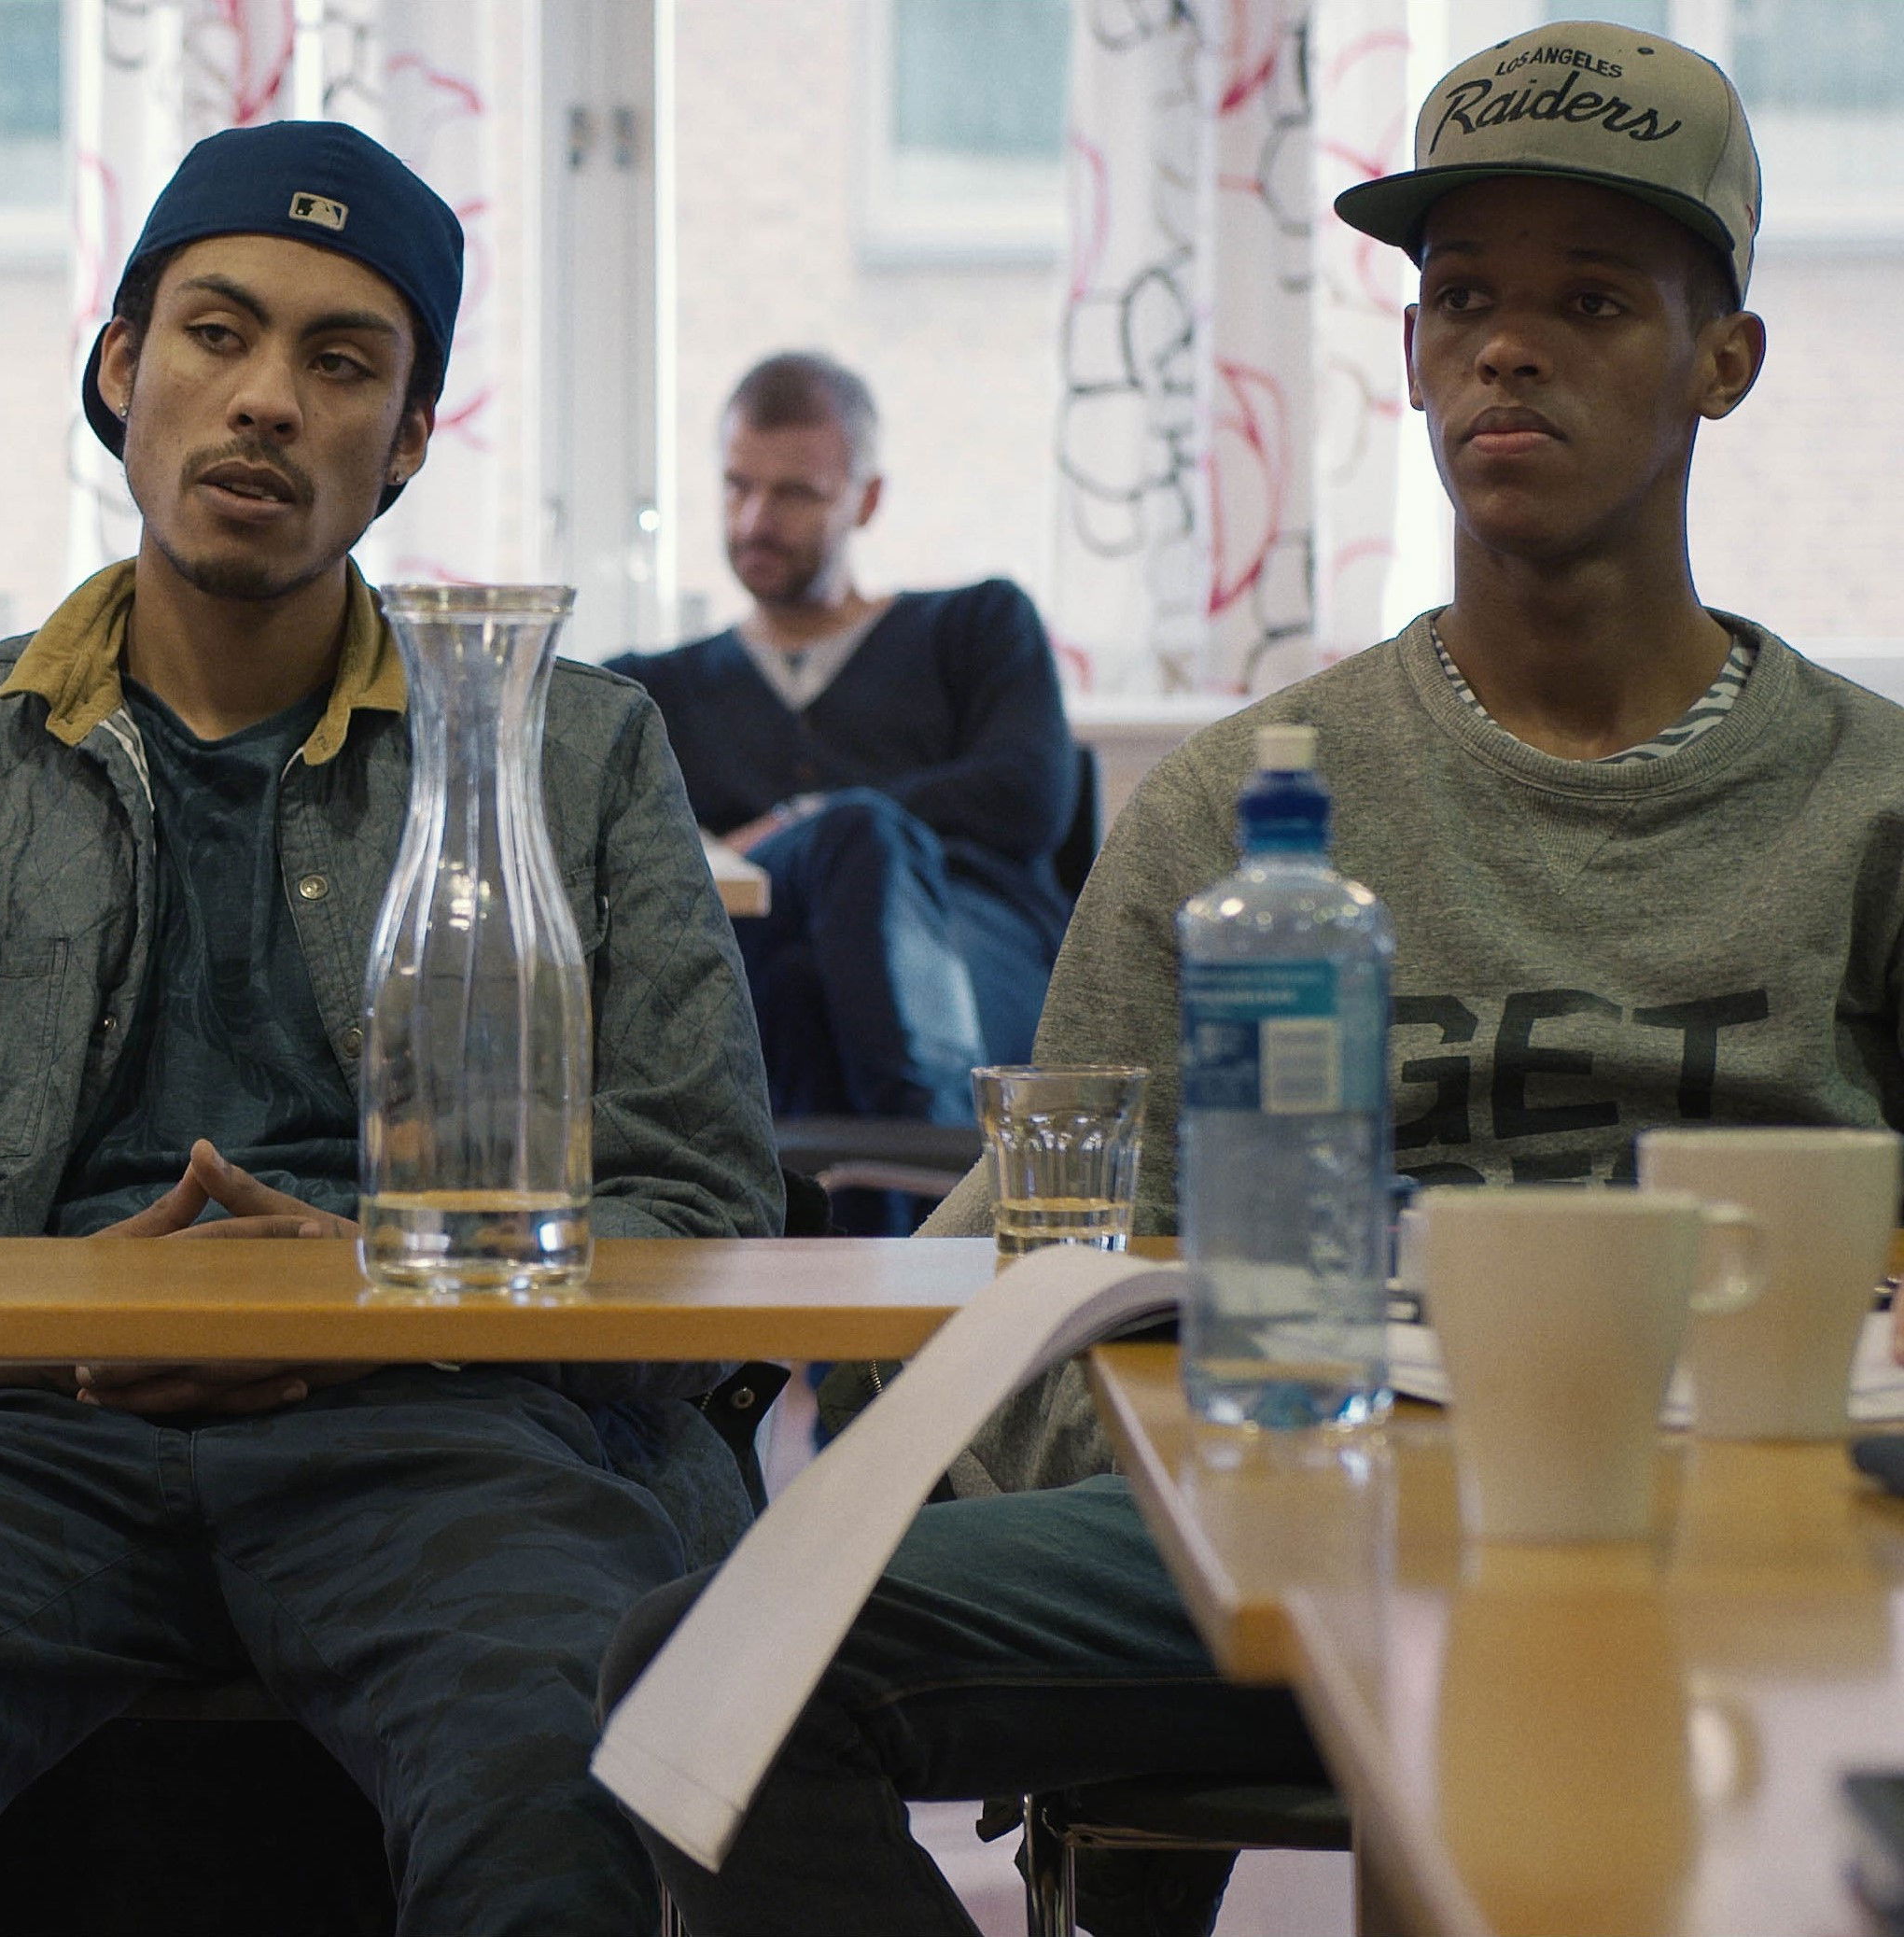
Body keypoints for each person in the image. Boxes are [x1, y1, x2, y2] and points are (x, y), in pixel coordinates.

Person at [600, 22, 1904, 1936]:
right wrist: (1202, 1473)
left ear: (1723, 358)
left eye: (1587, 300)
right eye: (1458, 298)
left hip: (1772, 1516)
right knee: (701, 1663)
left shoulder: (1863, 803)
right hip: (1315, 1493)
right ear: (1408, 352)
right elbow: (1047, 1251)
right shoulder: (1241, 805)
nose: (1504, 349)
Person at [0, 122, 776, 1935]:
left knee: (557, 1756)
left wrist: (383, 1286)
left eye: (337, 362)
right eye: (214, 333)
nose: (262, 398)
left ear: (404, 439)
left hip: (450, 1427)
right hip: (2, 1427)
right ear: (119, 368)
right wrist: (39, 1320)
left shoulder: (568, 753)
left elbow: (701, 1209)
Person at [611, 354, 1078, 1130]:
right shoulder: (653, 686)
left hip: (966, 941)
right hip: (755, 950)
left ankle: (912, 1147)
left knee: (853, 848)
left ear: (866, 499)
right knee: (785, 975)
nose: (754, 521)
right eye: (737, 485)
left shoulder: (975, 625)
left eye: (795, 493)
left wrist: (804, 819)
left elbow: (1027, 795)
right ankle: (931, 1163)